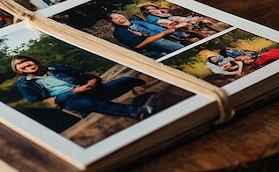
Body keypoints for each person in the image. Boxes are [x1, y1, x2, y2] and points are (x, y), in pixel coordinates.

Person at [11, 55, 159, 120]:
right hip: (71, 100)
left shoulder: (58, 68)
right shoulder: (25, 83)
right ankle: (136, 111)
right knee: (85, 103)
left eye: (27, 60)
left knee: (128, 80)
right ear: (20, 70)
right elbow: (40, 103)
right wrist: (74, 91)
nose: (26, 64)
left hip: (93, 90)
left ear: (34, 61)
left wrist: (92, 83)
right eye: (20, 65)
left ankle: (147, 96)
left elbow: (86, 75)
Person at [106, 12, 185, 58]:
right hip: (152, 47)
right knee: (182, 49)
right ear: (112, 22)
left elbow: (153, 28)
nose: (119, 18)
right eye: (116, 18)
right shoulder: (119, 32)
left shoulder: (135, 22)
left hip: (166, 37)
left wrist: (168, 27)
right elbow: (137, 45)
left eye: (119, 15)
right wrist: (163, 33)